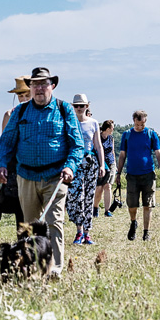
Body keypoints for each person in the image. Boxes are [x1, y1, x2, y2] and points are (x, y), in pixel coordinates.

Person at [0, 67, 85, 280]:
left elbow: (77, 144)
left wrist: (70, 166)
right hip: (26, 176)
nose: (39, 88)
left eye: (44, 84)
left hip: (56, 175)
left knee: (54, 221)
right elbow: (6, 141)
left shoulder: (64, 110)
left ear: (52, 85)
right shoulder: (21, 112)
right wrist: (1, 165)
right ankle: (33, 267)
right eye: (35, 84)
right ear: (31, 87)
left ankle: (55, 269)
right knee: (32, 224)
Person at [114, 110, 160, 241]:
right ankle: (133, 222)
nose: (140, 127)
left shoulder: (151, 134)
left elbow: (158, 154)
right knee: (132, 205)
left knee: (148, 204)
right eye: (138, 124)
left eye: (142, 124)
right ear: (133, 121)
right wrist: (118, 172)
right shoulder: (127, 135)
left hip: (148, 174)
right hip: (132, 174)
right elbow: (122, 155)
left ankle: (146, 232)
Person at [0, 77, 31, 228]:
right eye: (20, 95)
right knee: (20, 212)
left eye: (27, 94)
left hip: (36, 169)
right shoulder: (9, 114)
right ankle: (23, 247)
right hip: (15, 170)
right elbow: (4, 147)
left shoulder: (41, 114)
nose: (24, 98)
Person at [67, 94, 105, 246]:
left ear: (87, 106)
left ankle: (87, 233)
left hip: (90, 163)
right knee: (77, 198)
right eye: (76, 106)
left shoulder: (94, 123)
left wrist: (102, 165)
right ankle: (79, 231)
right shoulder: (69, 122)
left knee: (89, 198)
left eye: (81, 105)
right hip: (75, 164)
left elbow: (98, 145)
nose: (79, 108)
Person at [93, 120, 116, 217]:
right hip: (101, 164)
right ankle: (95, 208)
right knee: (99, 188)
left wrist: (115, 164)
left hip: (111, 164)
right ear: (107, 129)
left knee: (108, 186)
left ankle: (107, 210)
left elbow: (113, 151)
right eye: (112, 128)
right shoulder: (98, 137)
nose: (113, 130)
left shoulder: (111, 138)